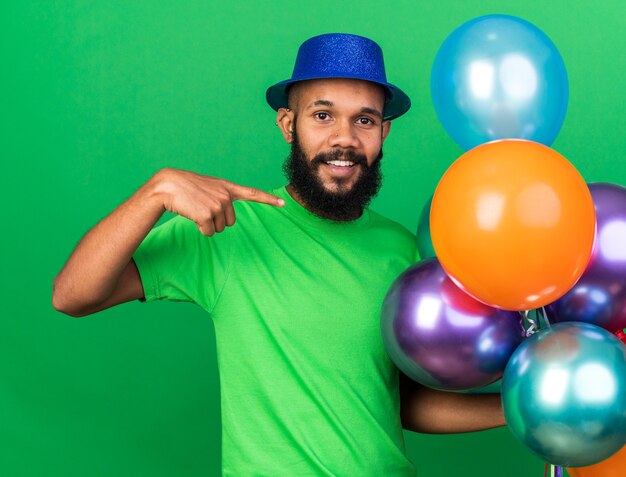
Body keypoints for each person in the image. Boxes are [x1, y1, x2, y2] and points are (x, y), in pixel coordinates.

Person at [53, 33, 505, 476]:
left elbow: (401, 401)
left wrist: (519, 407)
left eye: (364, 121)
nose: (344, 139)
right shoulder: (229, 229)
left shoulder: (401, 248)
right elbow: (72, 295)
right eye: (323, 115)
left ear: (384, 132)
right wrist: (154, 193)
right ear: (288, 124)